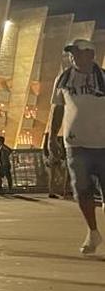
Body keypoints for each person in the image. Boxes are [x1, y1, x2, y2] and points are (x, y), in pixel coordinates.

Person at [44, 39, 105, 255]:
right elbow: (58, 110)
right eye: (71, 54)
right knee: (82, 191)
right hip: (76, 144)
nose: (73, 58)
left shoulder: (103, 78)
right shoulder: (63, 79)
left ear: (91, 55)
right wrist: (52, 137)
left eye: (78, 53)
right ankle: (93, 232)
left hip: (103, 144)